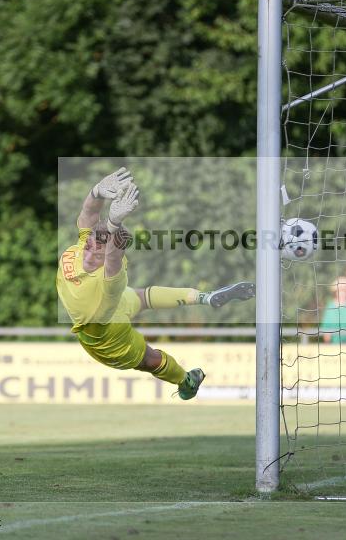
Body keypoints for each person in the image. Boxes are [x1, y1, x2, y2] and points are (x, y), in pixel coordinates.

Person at [56, 168, 255, 400]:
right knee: (144, 297)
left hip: (104, 330)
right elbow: (88, 214)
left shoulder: (111, 278)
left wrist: (113, 222)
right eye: (89, 246)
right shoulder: (82, 245)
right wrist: (97, 191)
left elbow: (112, 256)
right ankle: (205, 297)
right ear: (85, 240)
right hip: (115, 304)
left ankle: (185, 381)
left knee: (148, 361)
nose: (90, 253)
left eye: (97, 252)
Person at [319, 278, 346, 344]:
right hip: (335, 343)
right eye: (340, 290)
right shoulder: (330, 306)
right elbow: (326, 328)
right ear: (336, 292)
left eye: (345, 290)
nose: (342, 293)